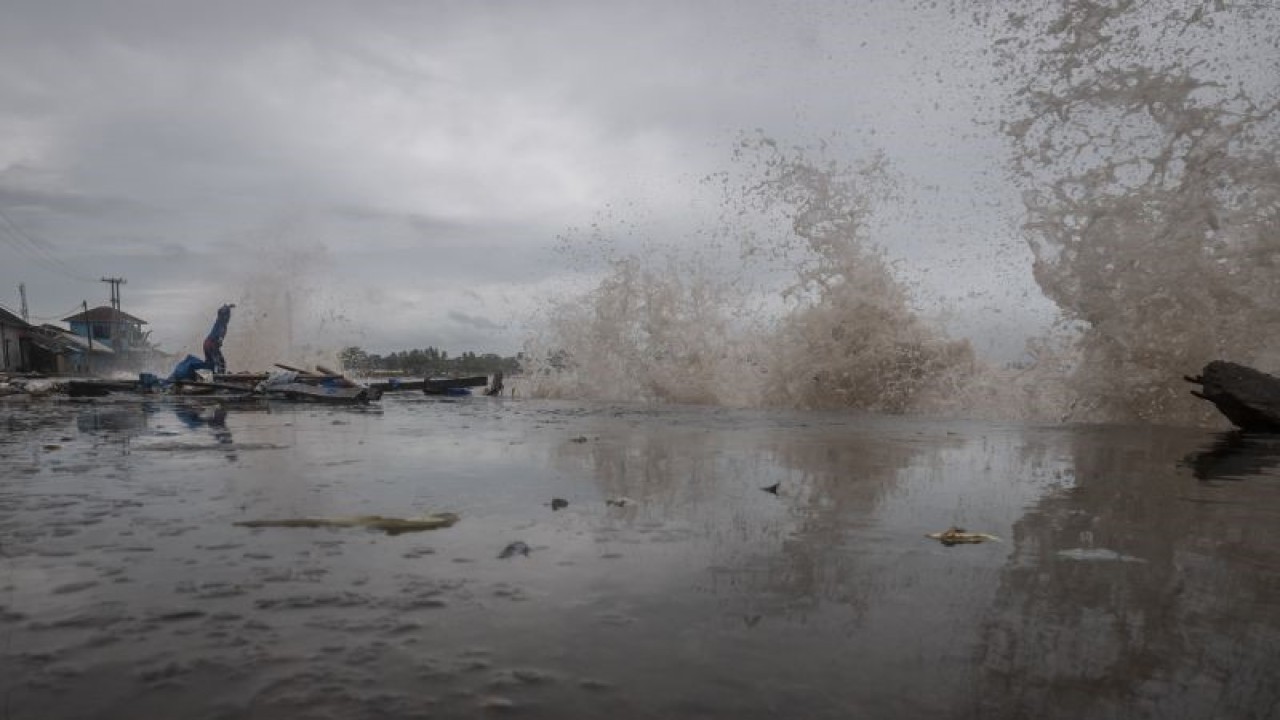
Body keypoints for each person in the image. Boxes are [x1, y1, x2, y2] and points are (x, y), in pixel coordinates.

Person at [203, 304, 234, 374]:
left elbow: (221, 311)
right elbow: (220, 312)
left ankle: (208, 376)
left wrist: (229, 306)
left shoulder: (220, 321)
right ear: (225, 316)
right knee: (220, 363)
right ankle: (220, 378)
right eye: (228, 315)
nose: (229, 317)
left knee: (210, 363)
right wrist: (220, 339)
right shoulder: (221, 322)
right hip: (211, 344)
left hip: (207, 343)